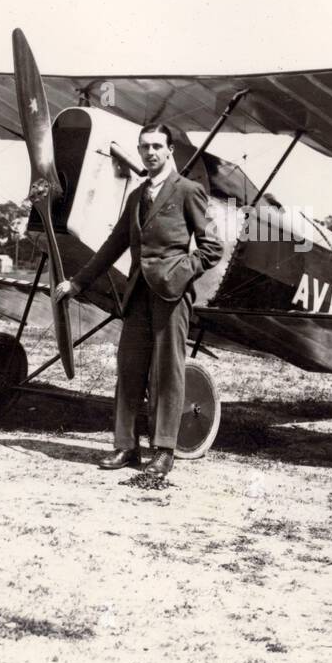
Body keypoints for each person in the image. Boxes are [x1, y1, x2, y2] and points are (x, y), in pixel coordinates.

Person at [52, 124, 223, 477]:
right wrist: (77, 282)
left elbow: (211, 248)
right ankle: (126, 447)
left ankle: (163, 451)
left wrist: (178, 272)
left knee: (167, 374)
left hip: (171, 296)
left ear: (170, 150)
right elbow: (113, 246)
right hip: (136, 296)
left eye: (157, 146)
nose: (150, 153)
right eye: (144, 147)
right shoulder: (137, 196)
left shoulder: (189, 191)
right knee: (129, 370)